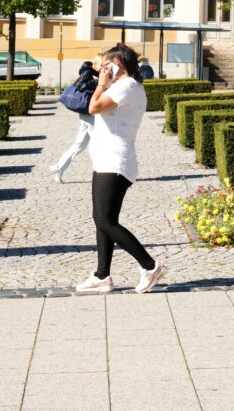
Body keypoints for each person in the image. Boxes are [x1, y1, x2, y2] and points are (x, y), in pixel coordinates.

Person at [76, 43, 166, 294]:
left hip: (114, 161)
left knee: (104, 219)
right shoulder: (132, 87)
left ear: (116, 64)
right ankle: (101, 275)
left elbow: (93, 107)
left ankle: (150, 266)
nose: (102, 69)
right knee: (103, 219)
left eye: (106, 64)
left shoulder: (125, 86)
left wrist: (101, 84)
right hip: (109, 160)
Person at [48, 56, 101, 183]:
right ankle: (102, 172)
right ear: (96, 65)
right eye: (103, 64)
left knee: (79, 145)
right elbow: (80, 86)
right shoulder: (88, 72)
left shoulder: (93, 73)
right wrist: (97, 82)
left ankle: (58, 167)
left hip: (88, 113)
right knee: (98, 142)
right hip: (88, 112)